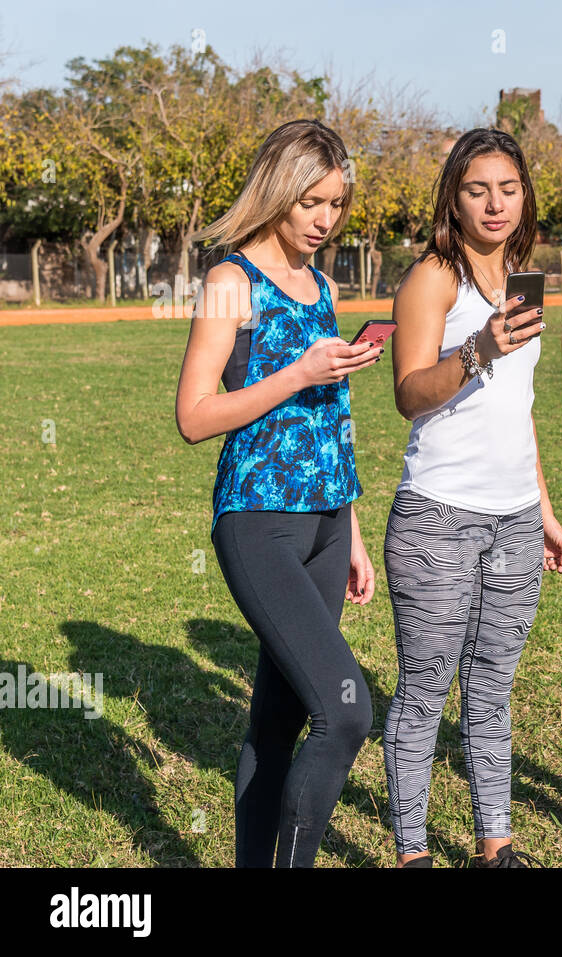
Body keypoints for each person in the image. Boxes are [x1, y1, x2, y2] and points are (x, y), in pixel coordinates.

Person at [175, 119, 383, 867]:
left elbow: (335, 416)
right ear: (277, 191)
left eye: (335, 204)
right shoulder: (232, 282)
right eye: (311, 202)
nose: (325, 220)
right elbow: (194, 415)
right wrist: (296, 371)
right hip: (259, 522)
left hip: (327, 522)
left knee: (278, 722)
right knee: (347, 710)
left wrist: (352, 529)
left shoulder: (323, 283)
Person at [383, 128, 562, 869]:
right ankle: (412, 851)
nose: (494, 203)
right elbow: (408, 393)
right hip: (438, 517)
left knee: (492, 690)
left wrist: (546, 508)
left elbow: (517, 407)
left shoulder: (522, 277)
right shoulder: (433, 279)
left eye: (508, 187)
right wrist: (477, 350)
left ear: (524, 194)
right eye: (476, 189)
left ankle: (497, 846)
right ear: (453, 200)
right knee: (425, 694)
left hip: (516, 520)